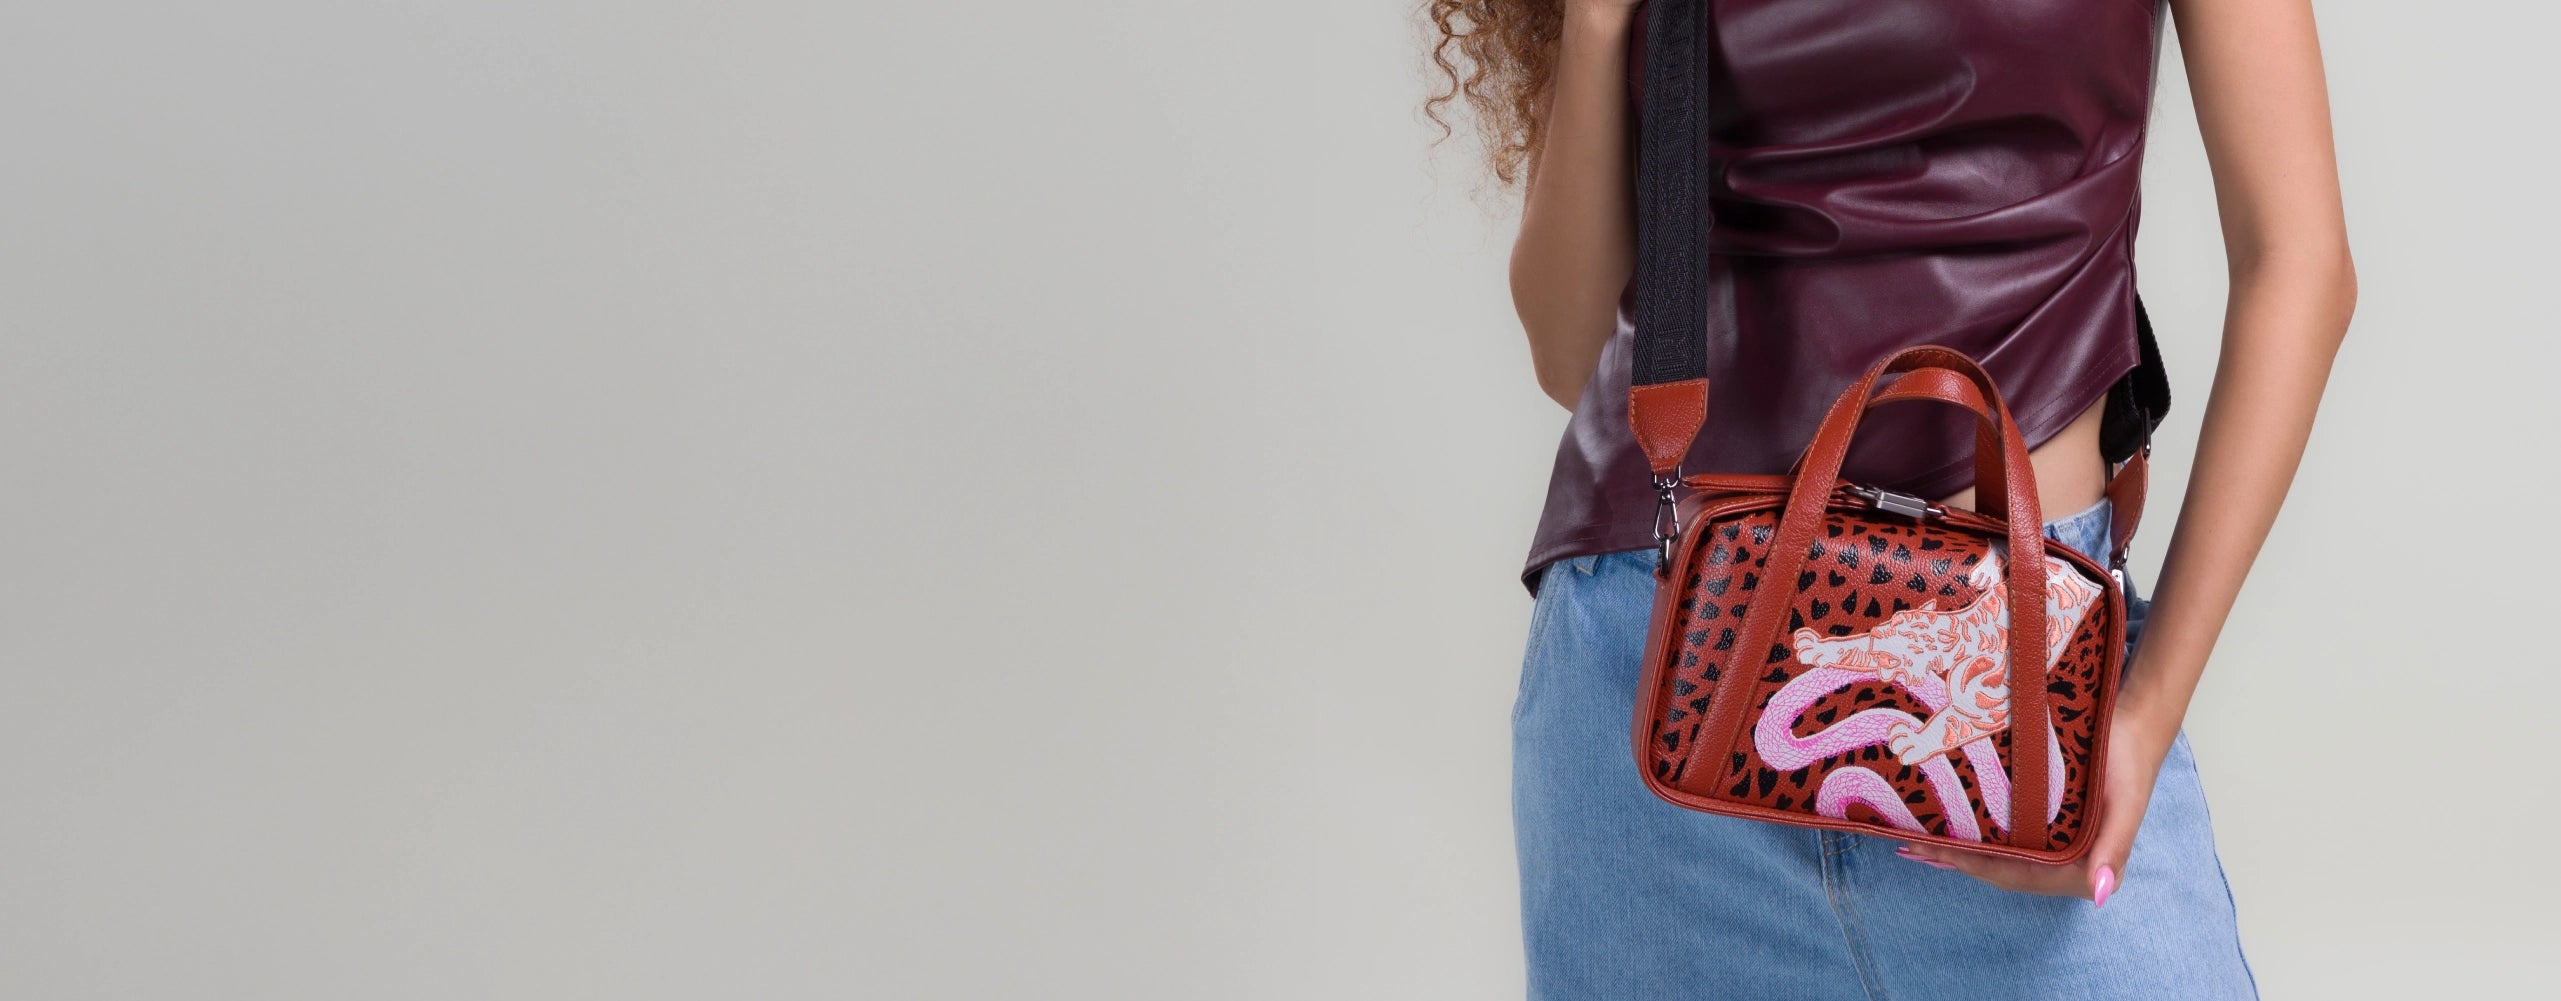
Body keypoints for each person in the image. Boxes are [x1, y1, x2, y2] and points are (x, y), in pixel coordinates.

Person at [1424, 0, 2356, 996]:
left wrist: (2146, 708)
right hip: (1658, 664)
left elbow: (2297, 264)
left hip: (2003, 669)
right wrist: (1598, 26)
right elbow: (1568, 352)